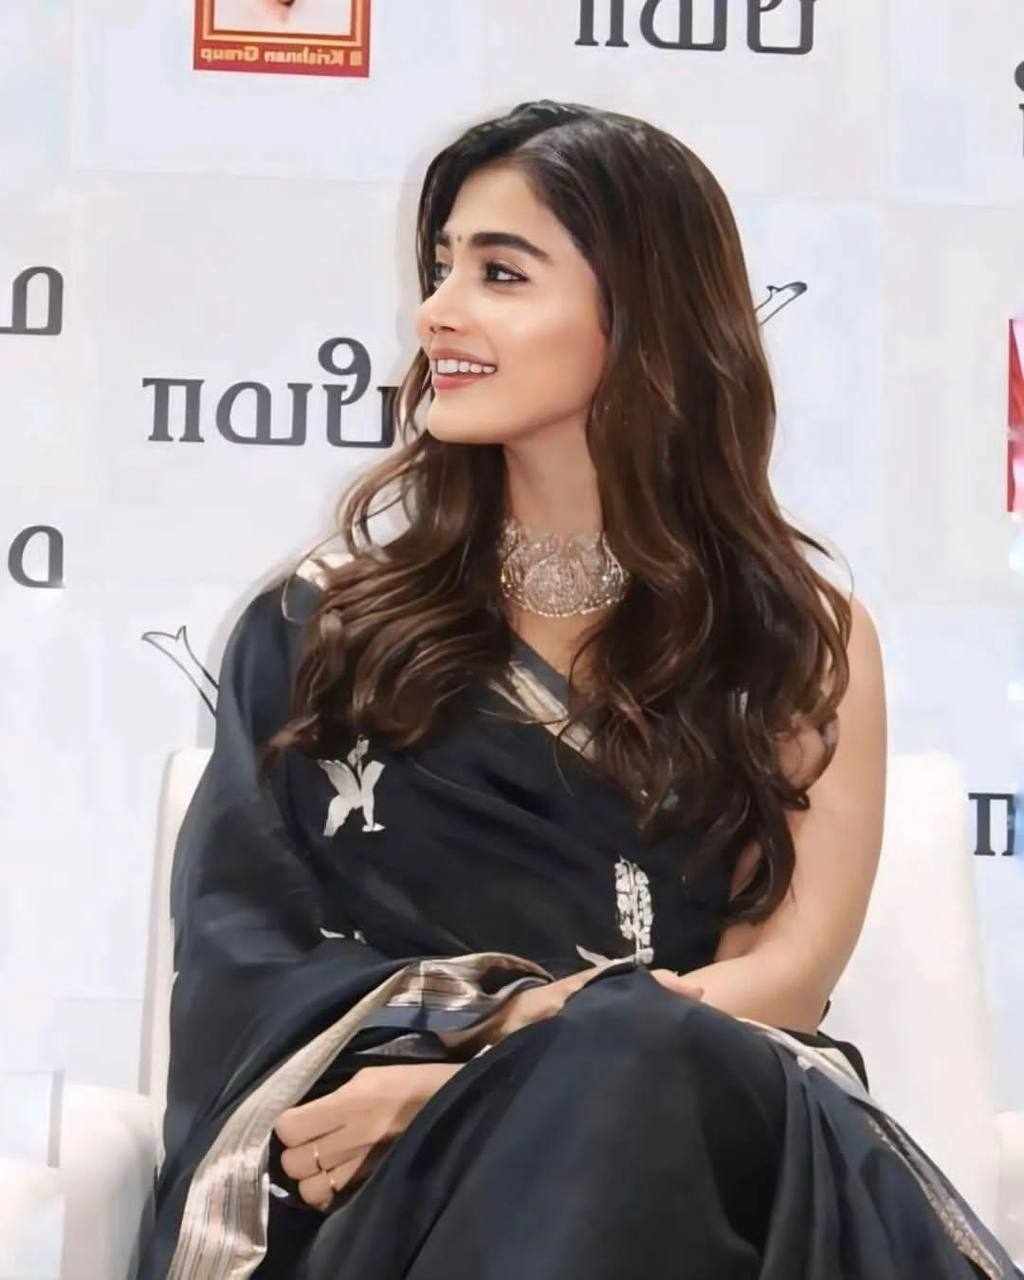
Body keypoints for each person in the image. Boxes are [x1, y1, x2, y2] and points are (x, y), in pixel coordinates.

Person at [135, 100, 1022, 1278]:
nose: (436, 311)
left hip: (711, 1151)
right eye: (441, 266)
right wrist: (473, 1093)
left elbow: (784, 975)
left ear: (643, 314)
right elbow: (244, 953)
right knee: (621, 1065)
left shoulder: (794, 639)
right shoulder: (321, 633)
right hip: (396, 1185)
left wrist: (491, 1048)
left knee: (638, 1063)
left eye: (499, 273)